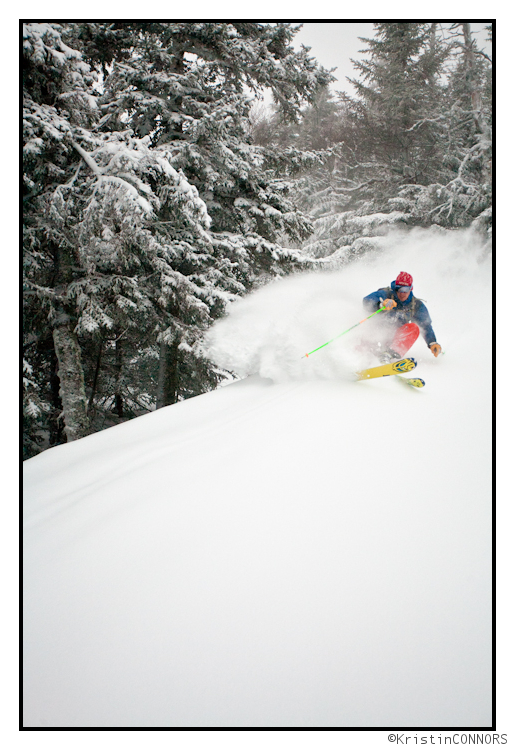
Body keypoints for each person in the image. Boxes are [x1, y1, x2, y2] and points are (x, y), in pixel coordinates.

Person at [363, 272, 442, 360]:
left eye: (405, 289)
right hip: (376, 333)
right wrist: (381, 304)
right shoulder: (386, 294)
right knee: (362, 343)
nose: (402, 293)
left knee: (414, 328)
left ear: (411, 289)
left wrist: (432, 342)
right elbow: (366, 301)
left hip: (393, 339)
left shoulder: (415, 305)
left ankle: (389, 355)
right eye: (399, 289)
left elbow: (425, 325)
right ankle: (358, 357)